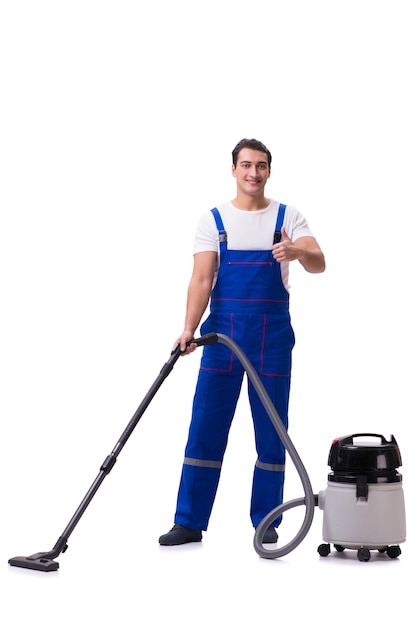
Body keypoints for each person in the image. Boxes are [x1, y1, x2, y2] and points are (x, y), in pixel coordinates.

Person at [159, 138, 325, 546]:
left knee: (272, 431)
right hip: (222, 338)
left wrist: (296, 251)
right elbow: (202, 280)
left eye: (262, 166)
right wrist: (188, 328)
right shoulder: (214, 220)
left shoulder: (288, 217)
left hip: (272, 338)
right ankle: (189, 521)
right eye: (246, 164)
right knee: (206, 426)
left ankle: (267, 521)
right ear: (233, 169)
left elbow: (320, 262)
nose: (254, 172)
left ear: (270, 171)